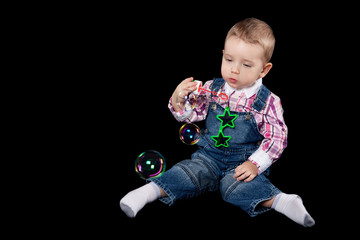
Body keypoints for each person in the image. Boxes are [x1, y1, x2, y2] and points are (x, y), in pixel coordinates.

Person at [120, 18, 315, 227]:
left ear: (264, 70)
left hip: (243, 163)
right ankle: (147, 192)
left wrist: (255, 164)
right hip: (208, 156)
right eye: (229, 60)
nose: (234, 70)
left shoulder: (267, 101)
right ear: (222, 55)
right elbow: (193, 115)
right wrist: (178, 100)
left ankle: (281, 201)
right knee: (187, 172)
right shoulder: (213, 87)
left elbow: (277, 137)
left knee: (233, 188)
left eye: (246, 64)